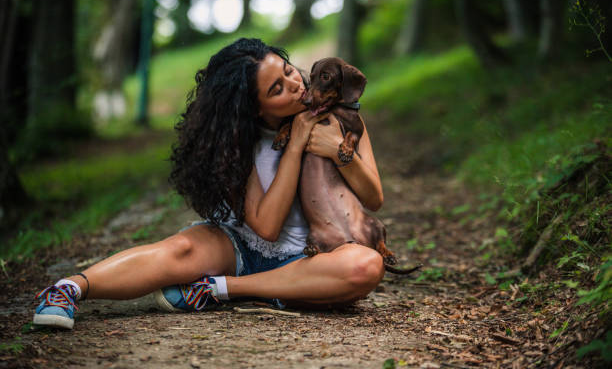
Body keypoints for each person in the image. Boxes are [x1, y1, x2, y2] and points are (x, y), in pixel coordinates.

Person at [33, 38, 385, 329]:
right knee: (180, 250)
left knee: (364, 266)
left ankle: (220, 290)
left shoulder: (342, 117)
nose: (296, 85)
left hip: (314, 255)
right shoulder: (238, 141)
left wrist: (338, 151)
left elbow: (374, 197)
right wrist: (294, 146)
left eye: (290, 70)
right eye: (277, 89)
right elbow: (265, 227)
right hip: (242, 249)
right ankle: (67, 290)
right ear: (254, 110)